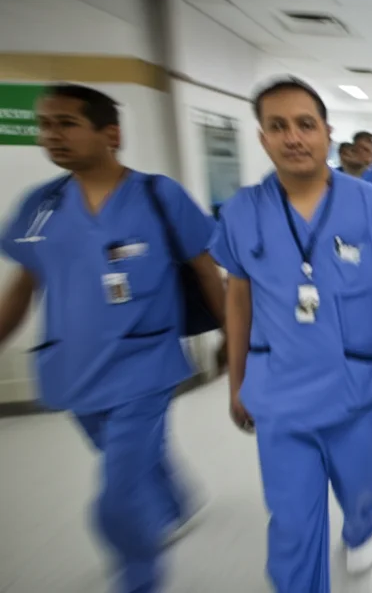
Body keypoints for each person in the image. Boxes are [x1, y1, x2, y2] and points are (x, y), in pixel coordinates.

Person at [0, 84, 224, 593]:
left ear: (111, 134)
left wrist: (236, 338)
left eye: (65, 123)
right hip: (74, 369)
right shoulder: (41, 207)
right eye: (45, 125)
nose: (51, 135)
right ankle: (176, 500)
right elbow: (22, 288)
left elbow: (208, 273)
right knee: (128, 455)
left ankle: (137, 577)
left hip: (145, 363)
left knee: (117, 494)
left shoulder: (157, 195)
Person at [211, 77, 372, 593]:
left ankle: (362, 522)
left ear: (328, 133)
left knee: (360, 485)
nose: (293, 137)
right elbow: (238, 302)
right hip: (278, 393)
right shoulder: (242, 211)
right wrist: (236, 382)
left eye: (305, 124)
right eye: (277, 126)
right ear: (262, 138)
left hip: (353, 388)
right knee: (292, 524)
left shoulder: (369, 204)